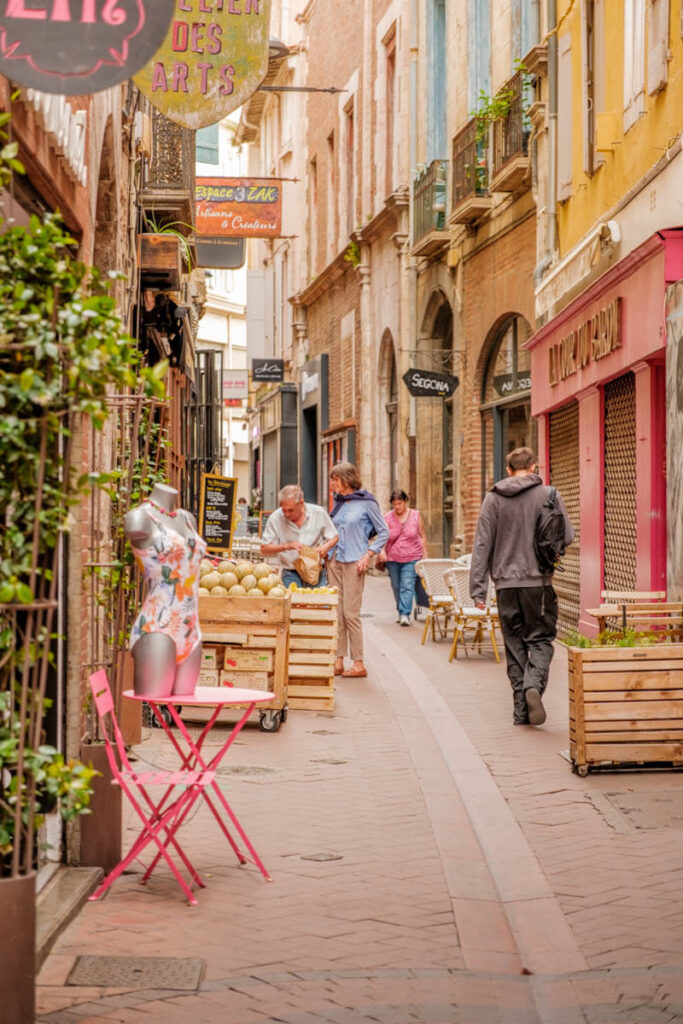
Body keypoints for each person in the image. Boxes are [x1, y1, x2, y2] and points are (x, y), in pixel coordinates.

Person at [469, 447, 574, 727]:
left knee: (514, 645)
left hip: (505, 586)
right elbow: (567, 536)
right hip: (538, 583)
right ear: (535, 466)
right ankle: (533, 686)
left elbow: (482, 545)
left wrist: (478, 589)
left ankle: (520, 711)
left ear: (508, 470)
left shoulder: (493, 498)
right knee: (540, 640)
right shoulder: (550, 495)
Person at [125, 482, 207, 698]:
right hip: (158, 627)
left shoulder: (187, 519)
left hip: (191, 629)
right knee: (155, 703)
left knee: (184, 704)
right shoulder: (140, 518)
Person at [328, 462, 389, 678]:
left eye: (335, 480)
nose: (332, 484)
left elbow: (383, 532)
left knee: (350, 613)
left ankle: (359, 663)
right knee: (337, 612)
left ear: (346, 479)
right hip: (334, 560)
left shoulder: (367, 503)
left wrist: (369, 555)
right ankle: (338, 660)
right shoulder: (340, 502)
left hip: (355, 562)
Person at [260, 484, 338, 588]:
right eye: (284, 510)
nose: (286, 514)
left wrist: (326, 547)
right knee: (293, 603)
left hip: (316, 571)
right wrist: (287, 546)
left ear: (301, 503)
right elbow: (264, 548)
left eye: (290, 510)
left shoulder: (318, 512)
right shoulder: (275, 518)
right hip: (290, 573)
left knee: (317, 602)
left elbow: (334, 536)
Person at [378, 489, 428, 626]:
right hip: (393, 559)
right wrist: (382, 551)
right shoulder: (387, 517)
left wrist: (425, 557)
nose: (397, 507)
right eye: (394, 504)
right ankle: (400, 611)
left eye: (399, 503)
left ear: (405, 502)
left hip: (412, 557)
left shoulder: (416, 516)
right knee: (396, 586)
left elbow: (422, 536)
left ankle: (405, 614)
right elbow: (383, 538)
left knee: (407, 585)